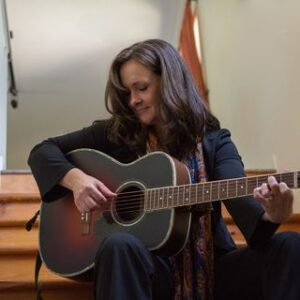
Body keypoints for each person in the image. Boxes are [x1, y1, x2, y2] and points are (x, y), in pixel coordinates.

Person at [28, 39, 299, 300]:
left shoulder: (215, 141)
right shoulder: (115, 135)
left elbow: (244, 207)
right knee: (119, 245)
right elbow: (42, 151)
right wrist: (77, 181)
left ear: (169, 82)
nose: (133, 100)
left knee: (290, 245)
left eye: (141, 87)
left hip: (216, 272)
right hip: (150, 273)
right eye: (127, 92)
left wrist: (272, 216)